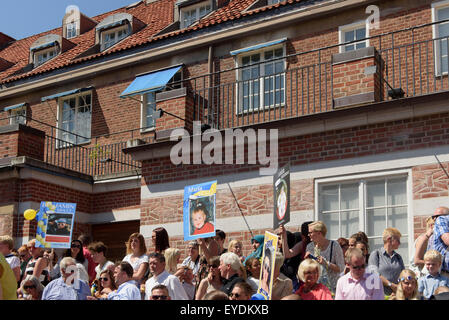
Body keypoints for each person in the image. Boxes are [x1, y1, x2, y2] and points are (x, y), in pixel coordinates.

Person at [305, 221, 345, 294]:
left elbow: (341, 268)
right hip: (316, 288)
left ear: (319, 233)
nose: (308, 235)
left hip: (332, 289)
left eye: (310, 232)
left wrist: (326, 263)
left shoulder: (334, 245)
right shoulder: (310, 247)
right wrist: (307, 262)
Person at [368, 227, 405, 296]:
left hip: (396, 295)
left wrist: (399, 288)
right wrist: (391, 285)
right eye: (398, 240)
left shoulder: (398, 257)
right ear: (389, 239)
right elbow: (373, 274)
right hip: (380, 295)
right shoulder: (376, 254)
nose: (400, 243)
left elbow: (403, 274)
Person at [432, 206, 449, 277]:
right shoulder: (440, 220)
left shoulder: (441, 219)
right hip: (445, 274)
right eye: (433, 217)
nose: (435, 219)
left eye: (437, 216)